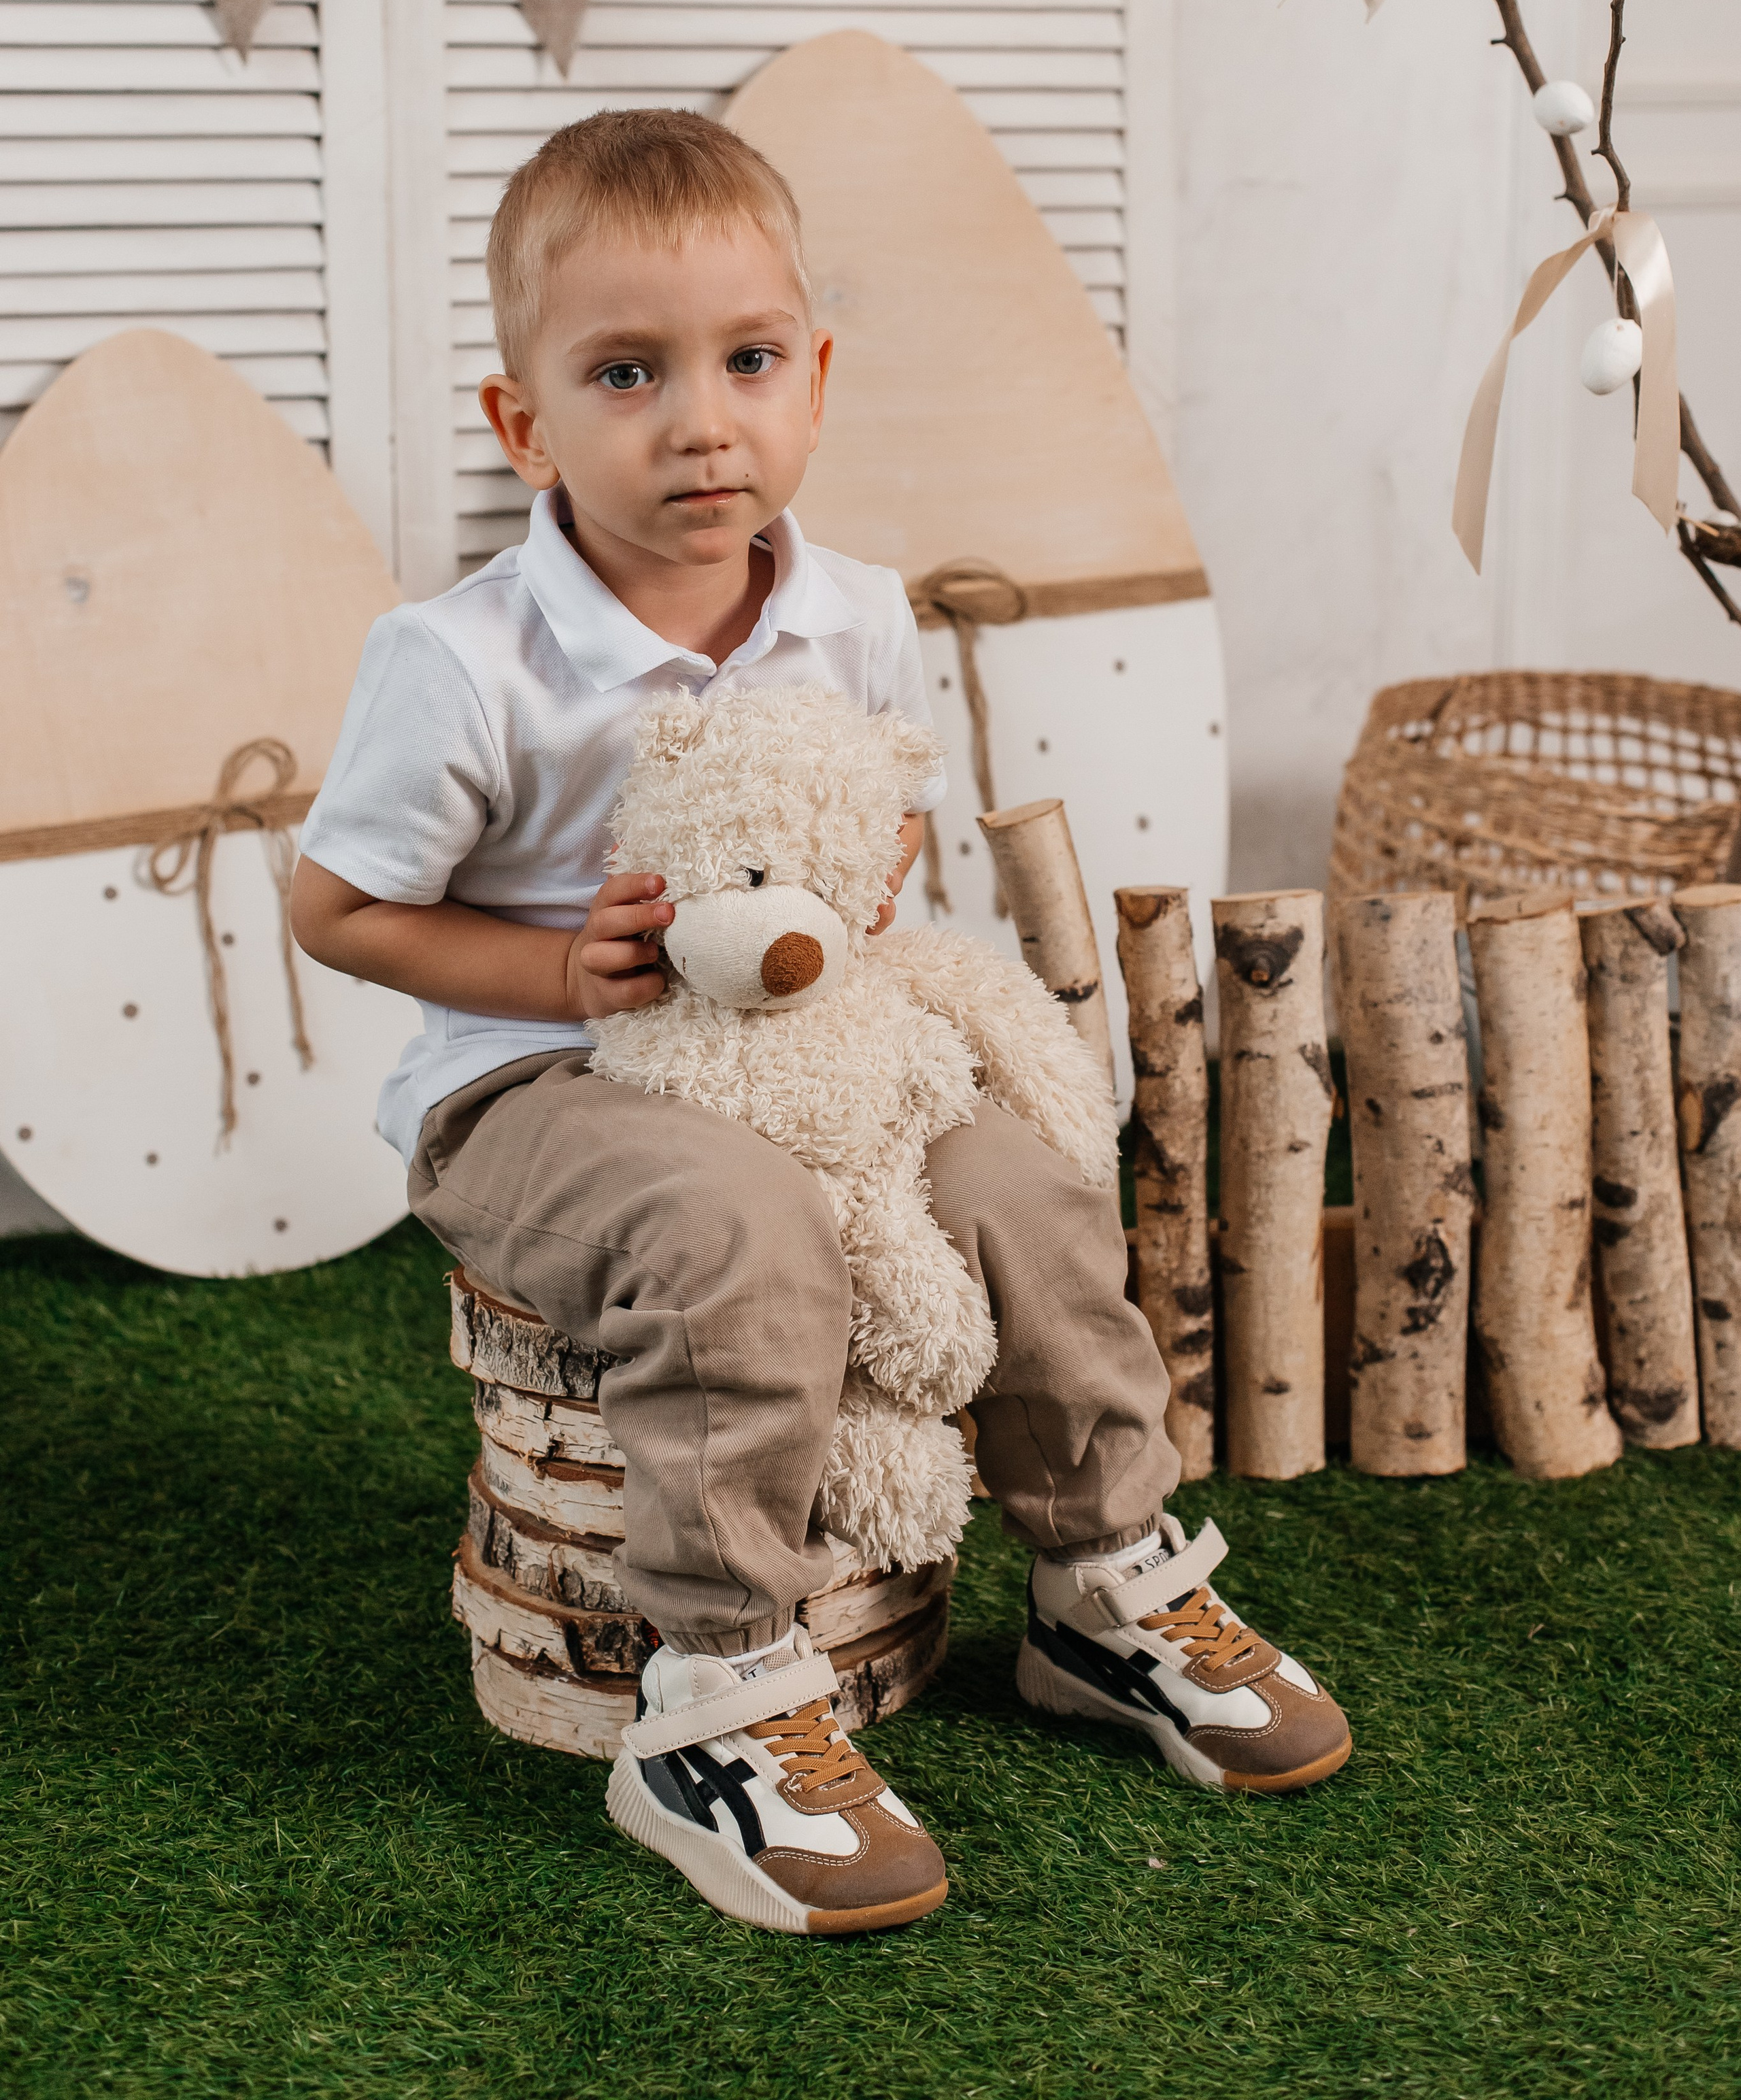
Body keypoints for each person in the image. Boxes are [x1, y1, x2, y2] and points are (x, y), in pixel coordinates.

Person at [290, 111, 1350, 1940]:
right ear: (522, 423)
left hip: (801, 1060)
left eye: (750, 362)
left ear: (815, 378)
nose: (704, 422)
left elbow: (873, 828)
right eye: (628, 373)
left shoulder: (849, 611)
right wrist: (560, 974)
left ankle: (1104, 1577)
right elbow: (330, 907)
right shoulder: (462, 661)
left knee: (1021, 1180)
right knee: (731, 1232)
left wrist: (842, 917)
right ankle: (714, 1693)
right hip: (534, 1080)